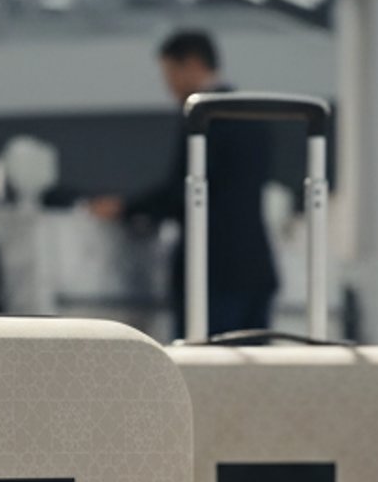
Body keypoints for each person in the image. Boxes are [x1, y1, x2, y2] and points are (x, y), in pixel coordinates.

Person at [90, 30, 277, 339]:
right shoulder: (252, 114)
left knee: (204, 373)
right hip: (255, 266)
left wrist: (126, 207)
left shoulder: (203, 115)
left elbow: (187, 191)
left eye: (170, 74)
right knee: (251, 377)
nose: (169, 86)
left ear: (191, 64)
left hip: (212, 269)